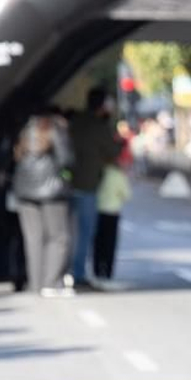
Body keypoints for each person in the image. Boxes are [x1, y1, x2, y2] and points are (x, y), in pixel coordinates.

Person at [11, 110, 74, 297]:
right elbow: (66, 159)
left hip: (25, 190)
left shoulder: (25, 131)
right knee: (58, 237)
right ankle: (51, 282)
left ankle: (35, 283)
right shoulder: (56, 130)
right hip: (51, 190)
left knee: (33, 238)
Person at [67, 87, 122, 289]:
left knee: (67, 231)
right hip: (87, 184)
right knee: (85, 232)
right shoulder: (98, 126)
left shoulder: (75, 122)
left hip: (67, 183)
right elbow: (113, 150)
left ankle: (64, 270)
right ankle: (78, 273)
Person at [93, 122, 134, 284]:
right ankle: (107, 271)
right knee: (110, 243)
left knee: (98, 242)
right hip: (113, 212)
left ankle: (96, 269)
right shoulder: (118, 175)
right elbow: (126, 195)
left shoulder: (100, 172)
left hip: (98, 210)